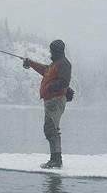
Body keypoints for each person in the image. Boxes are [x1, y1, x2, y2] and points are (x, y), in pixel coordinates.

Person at [23, 39, 72, 169]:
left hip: (56, 100)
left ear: (57, 50)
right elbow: (45, 70)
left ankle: (56, 160)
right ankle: (55, 159)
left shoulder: (64, 64)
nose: (50, 52)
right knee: (50, 129)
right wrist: (31, 63)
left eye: (52, 50)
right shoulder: (55, 64)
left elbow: (64, 81)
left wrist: (50, 87)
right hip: (51, 101)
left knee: (52, 129)